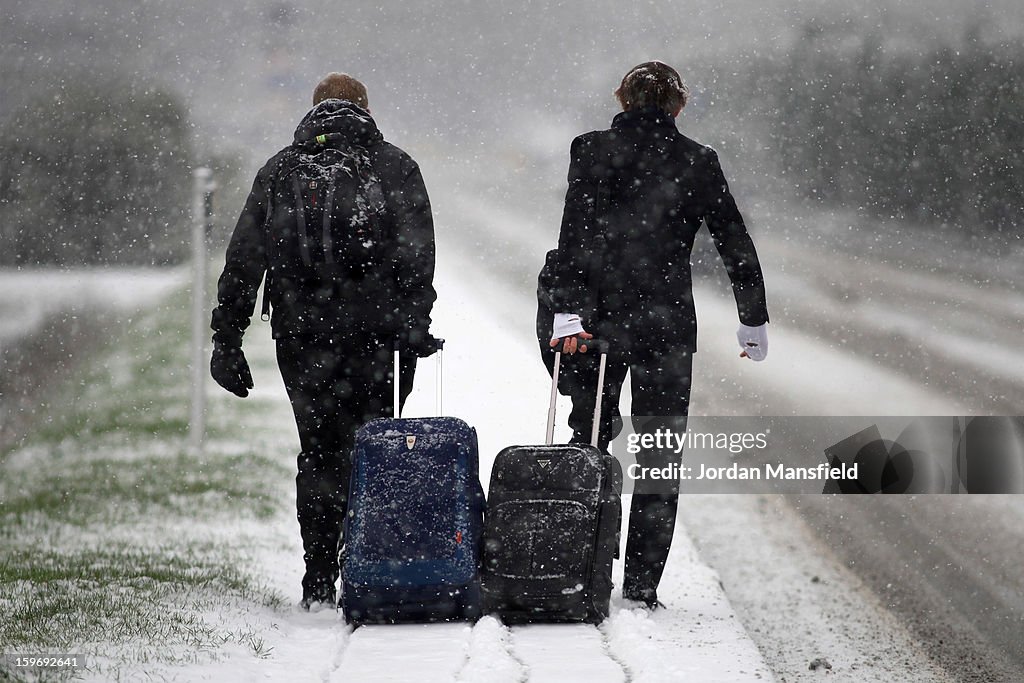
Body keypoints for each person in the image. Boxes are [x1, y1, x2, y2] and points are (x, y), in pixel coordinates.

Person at [545, 61, 770, 609]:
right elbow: (733, 242)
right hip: (665, 327)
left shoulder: (591, 150)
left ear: (622, 98)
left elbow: (573, 235)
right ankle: (642, 588)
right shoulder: (698, 161)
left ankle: (578, 566)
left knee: (590, 441)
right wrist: (752, 317)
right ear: (678, 105)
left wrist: (568, 314)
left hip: (597, 324)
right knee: (660, 455)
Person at [210, 73, 437, 611]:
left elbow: (244, 257)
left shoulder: (280, 169)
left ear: (314, 110)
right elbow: (418, 255)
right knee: (373, 449)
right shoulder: (395, 165)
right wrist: (414, 324)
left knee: (319, 452)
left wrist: (228, 334)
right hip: (379, 338)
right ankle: (366, 564)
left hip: (302, 335)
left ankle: (317, 577)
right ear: (366, 108)